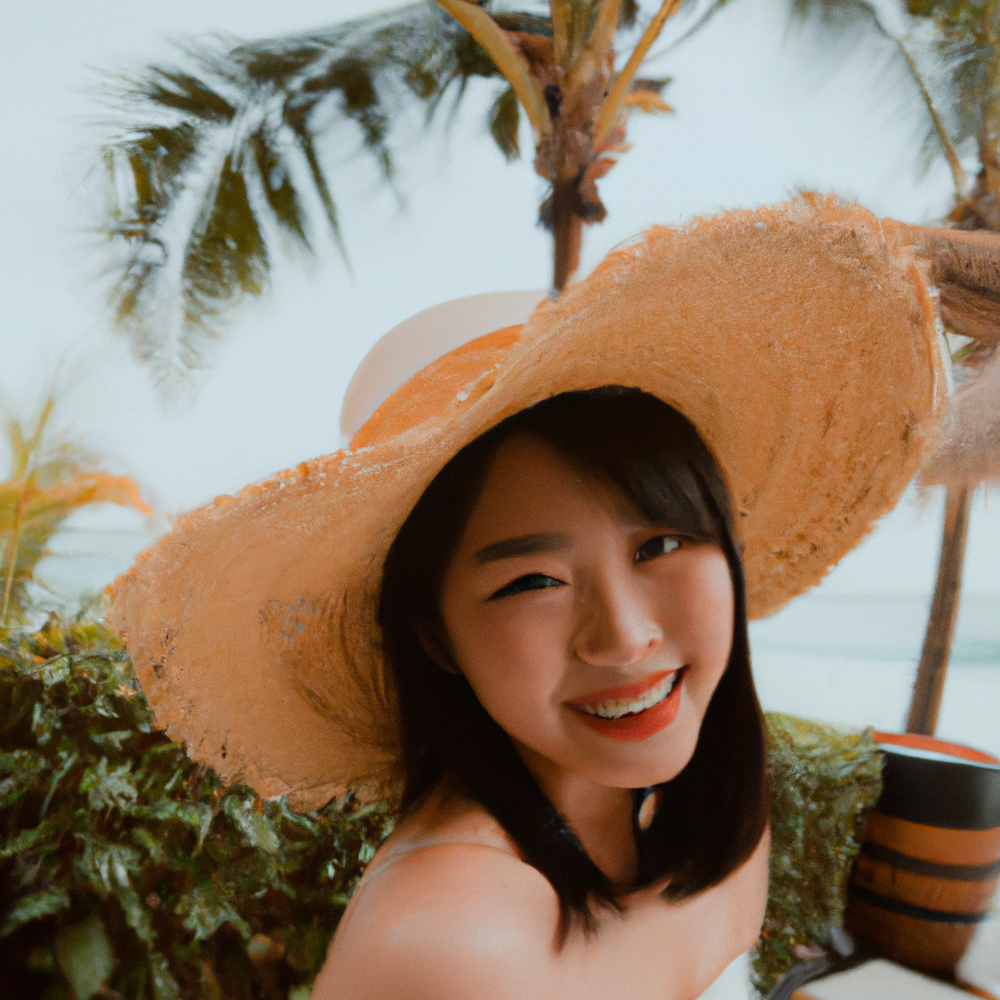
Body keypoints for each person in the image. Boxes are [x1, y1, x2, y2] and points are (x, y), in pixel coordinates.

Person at [109, 196, 957, 999]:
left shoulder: (665, 799)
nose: (623, 638)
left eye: (660, 544)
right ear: (433, 632)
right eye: (532, 582)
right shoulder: (452, 942)